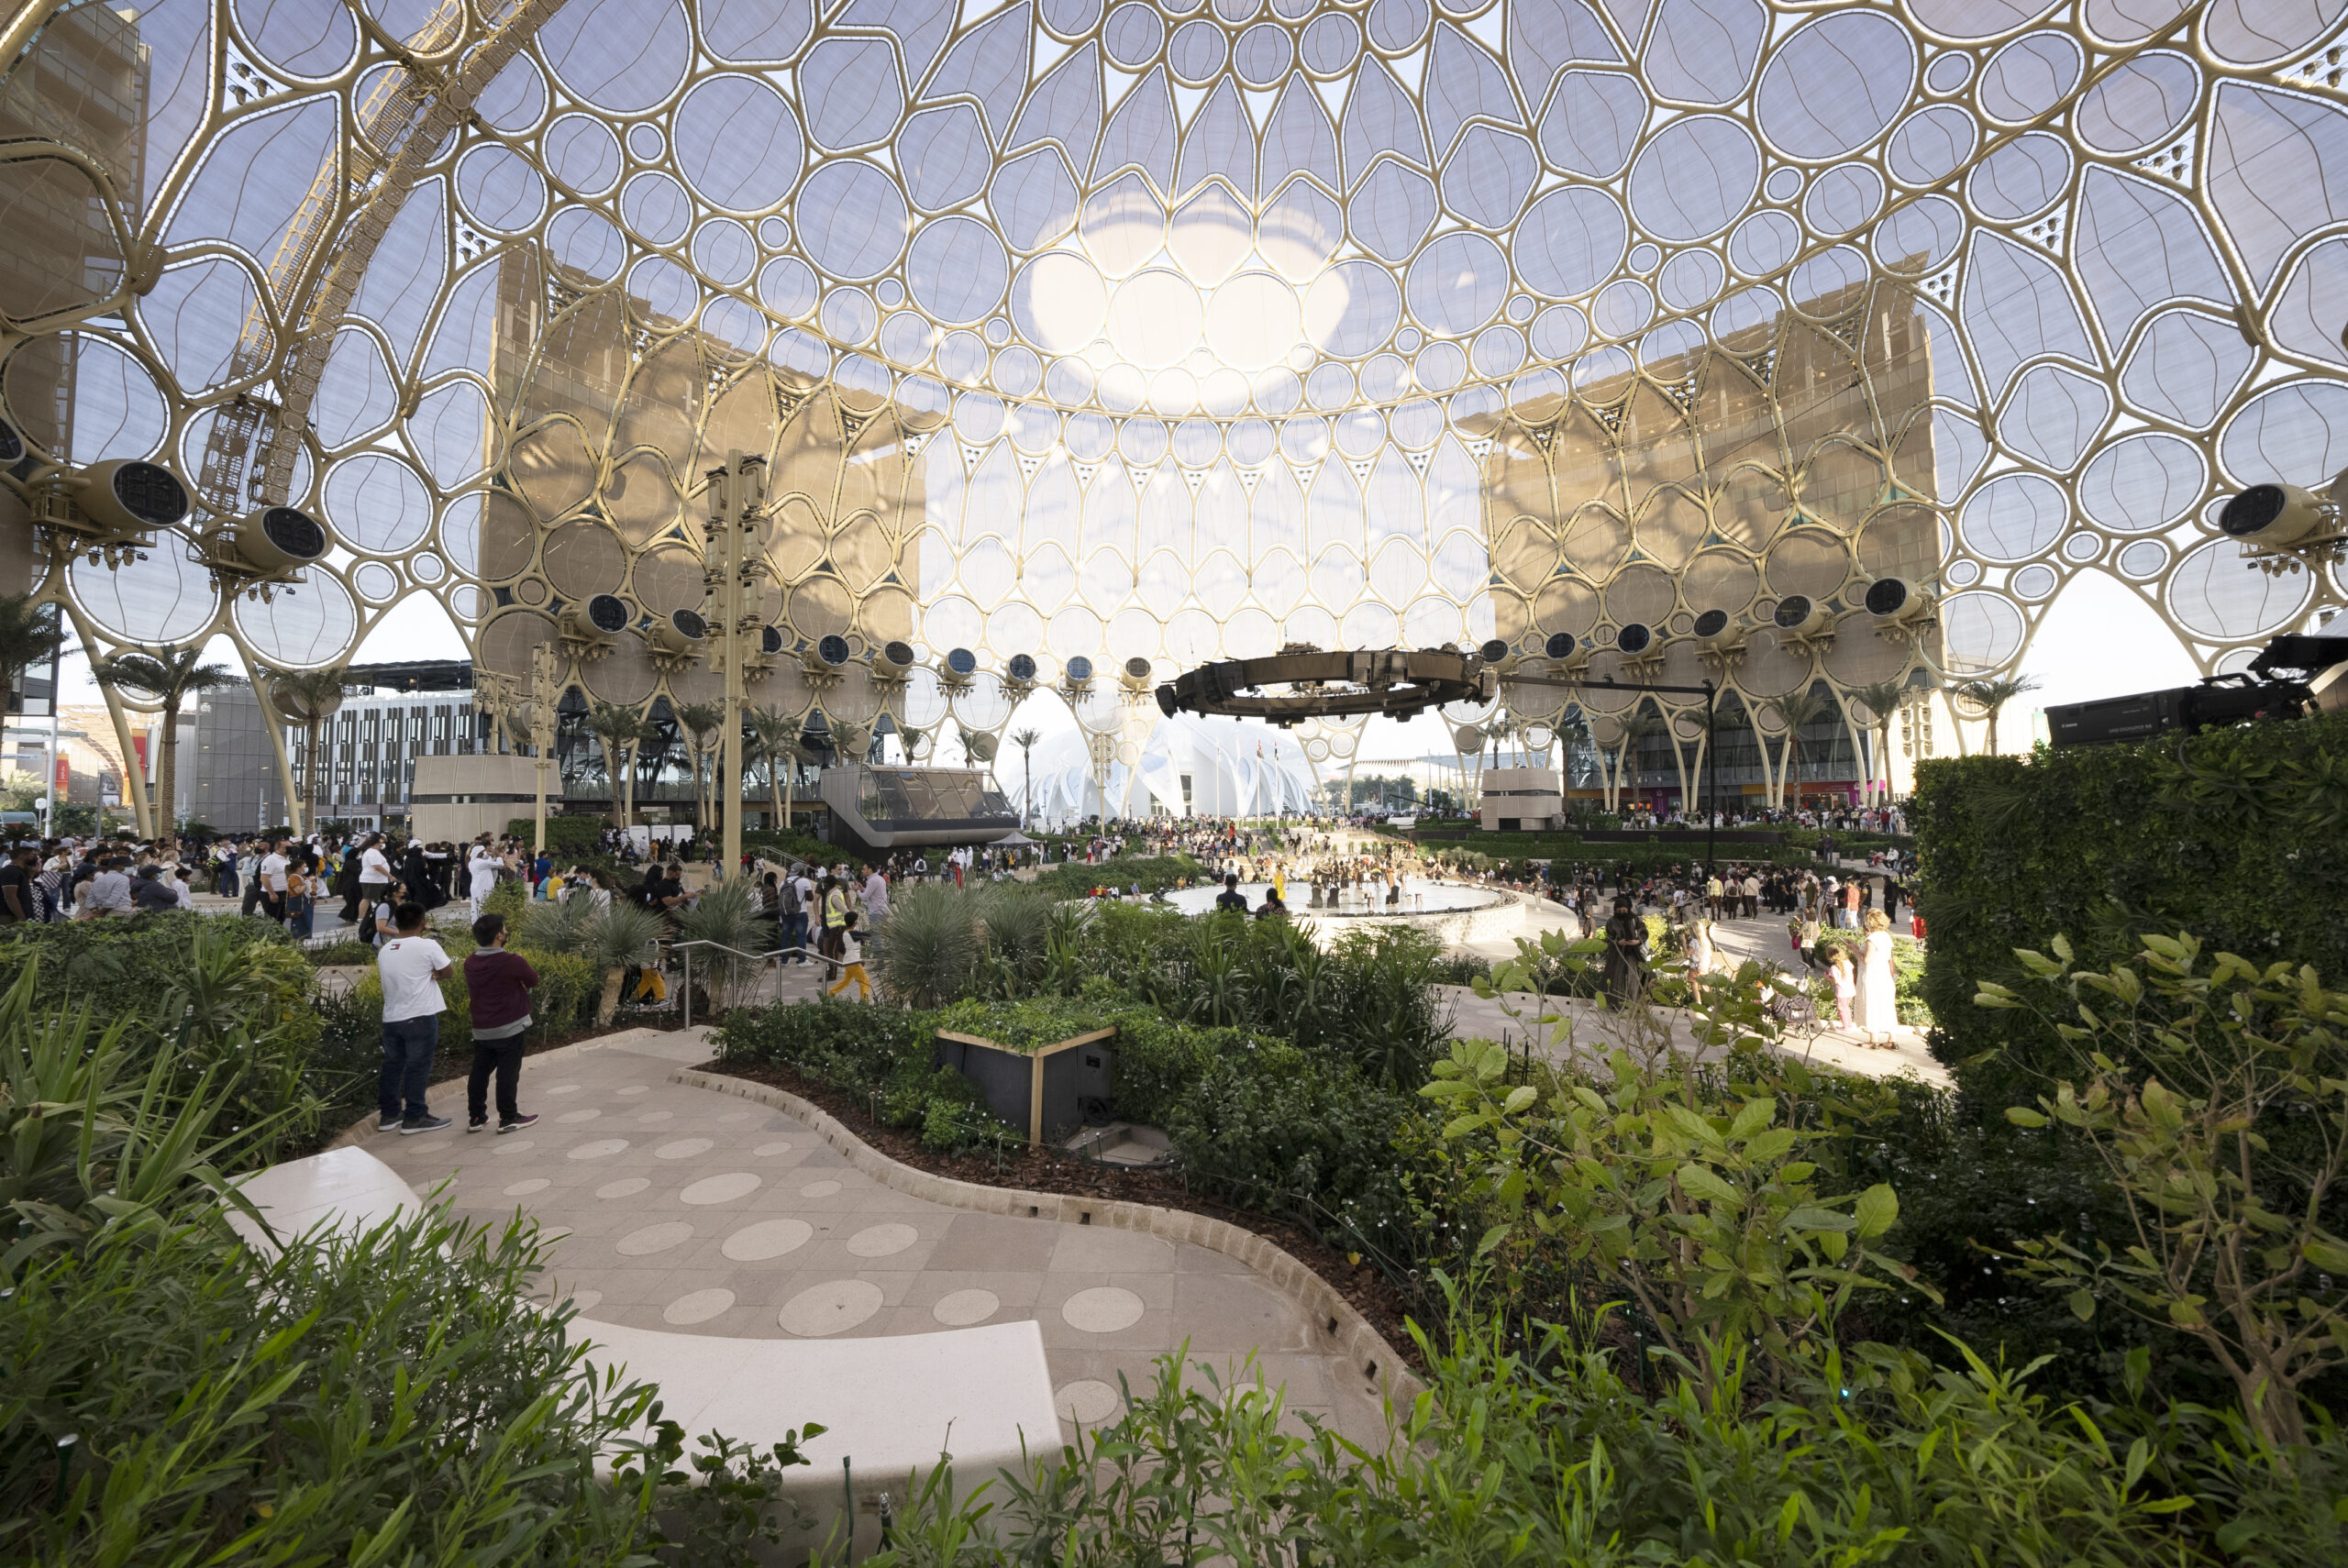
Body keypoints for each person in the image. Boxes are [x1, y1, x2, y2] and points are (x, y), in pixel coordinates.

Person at [374, 902, 453, 1133]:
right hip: (420, 1016)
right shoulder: (427, 945)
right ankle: (415, 1116)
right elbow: (448, 971)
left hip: (392, 1017)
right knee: (418, 1067)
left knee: (392, 1066)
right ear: (423, 923)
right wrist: (437, 974)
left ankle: (389, 1115)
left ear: (396, 923)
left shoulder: (385, 950)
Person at [462, 912, 542, 1133]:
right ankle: (508, 1117)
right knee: (508, 1072)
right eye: (504, 929)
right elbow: (532, 980)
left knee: (479, 1072)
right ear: (499, 935)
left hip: (482, 1028)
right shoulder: (512, 961)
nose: (506, 932)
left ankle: (476, 1117)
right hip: (510, 1027)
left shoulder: (470, 962)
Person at [1855, 909, 1898, 1047]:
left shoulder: (1872, 939)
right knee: (1887, 1005)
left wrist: (1853, 950)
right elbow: (1889, 957)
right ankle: (1892, 1039)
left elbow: (1867, 959)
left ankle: (1874, 1040)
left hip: (1871, 975)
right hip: (1884, 974)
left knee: (1871, 1004)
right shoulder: (1885, 936)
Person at [1601, 895, 1646, 1007]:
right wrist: (1617, 942)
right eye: (1619, 911)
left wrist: (1637, 941)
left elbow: (1643, 932)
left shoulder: (1634, 919)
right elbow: (1609, 936)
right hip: (1617, 954)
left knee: (1633, 978)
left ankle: (1633, 1003)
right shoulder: (1612, 921)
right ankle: (1617, 1004)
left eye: (1624, 910)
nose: (1622, 913)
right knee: (1616, 978)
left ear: (1628, 909)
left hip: (1632, 953)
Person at [827, 911, 871, 1000]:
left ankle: (830, 993)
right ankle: (864, 1002)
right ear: (855, 922)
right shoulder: (854, 934)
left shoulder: (846, 933)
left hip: (848, 961)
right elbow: (869, 934)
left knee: (846, 981)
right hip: (854, 962)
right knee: (865, 982)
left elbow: (860, 941)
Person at [1826, 941, 1856, 1031]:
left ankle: (1845, 1027)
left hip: (1842, 991)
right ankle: (1849, 1024)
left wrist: (1827, 977)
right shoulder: (1847, 962)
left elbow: (1835, 981)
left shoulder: (1834, 967)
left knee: (1841, 1008)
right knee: (1846, 1007)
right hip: (1851, 989)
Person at [467, 840, 498, 920]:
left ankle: (476, 921)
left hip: (476, 886)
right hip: (481, 887)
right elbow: (493, 864)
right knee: (482, 905)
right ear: (478, 853)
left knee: (475, 905)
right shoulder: (480, 862)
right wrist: (494, 856)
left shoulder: (472, 862)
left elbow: (487, 861)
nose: (484, 853)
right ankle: (481, 921)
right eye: (482, 852)